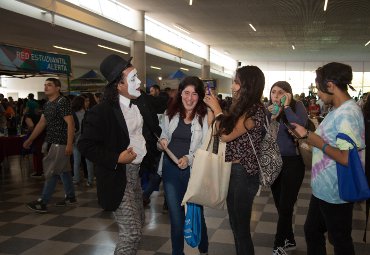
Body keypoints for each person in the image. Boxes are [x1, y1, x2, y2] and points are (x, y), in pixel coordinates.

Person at [78, 54, 161, 255]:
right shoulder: (102, 111)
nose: (140, 82)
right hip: (118, 177)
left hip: (136, 177)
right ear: (119, 85)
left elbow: (150, 130)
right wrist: (117, 158)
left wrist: (160, 140)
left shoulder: (140, 104)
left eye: (137, 77)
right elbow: (85, 145)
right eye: (133, 79)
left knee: (138, 225)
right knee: (131, 233)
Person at [292, 62, 364, 255]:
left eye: (319, 88)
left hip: (336, 191)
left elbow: (347, 158)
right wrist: (308, 135)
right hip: (324, 188)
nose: (318, 94)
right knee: (313, 231)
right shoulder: (338, 110)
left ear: (330, 85)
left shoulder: (348, 113)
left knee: (340, 240)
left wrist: (317, 141)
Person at [204, 66, 266, 255]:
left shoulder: (254, 110)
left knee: (241, 229)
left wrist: (216, 108)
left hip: (243, 174)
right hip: (233, 171)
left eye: (236, 82)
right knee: (235, 225)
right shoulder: (241, 108)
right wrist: (211, 109)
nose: (232, 86)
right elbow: (213, 127)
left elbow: (226, 135)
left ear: (247, 85)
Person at [157, 76, 211, 255]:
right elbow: (163, 135)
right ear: (180, 94)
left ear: (200, 96)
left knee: (197, 213)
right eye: (186, 93)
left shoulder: (204, 118)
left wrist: (189, 158)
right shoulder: (169, 114)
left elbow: (205, 147)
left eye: (194, 94)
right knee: (176, 217)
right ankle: (177, 252)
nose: (189, 98)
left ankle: (203, 248)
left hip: (193, 171)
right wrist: (163, 140)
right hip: (170, 169)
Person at [24, 78, 76, 213]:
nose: (46, 87)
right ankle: (70, 197)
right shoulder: (47, 104)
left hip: (61, 143)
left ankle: (43, 202)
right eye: (45, 85)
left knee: (52, 171)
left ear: (58, 88)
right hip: (53, 142)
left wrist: (69, 144)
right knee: (64, 171)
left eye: (49, 85)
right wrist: (30, 139)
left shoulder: (62, 102)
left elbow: (71, 123)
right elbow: (41, 124)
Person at [267, 81, 308, 255]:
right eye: (273, 92)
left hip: (293, 163)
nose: (276, 96)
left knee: (285, 206)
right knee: (281, 205)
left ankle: (278, 245)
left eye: (280, 92)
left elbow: (299, 129)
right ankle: (289, 239)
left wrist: (287, 108)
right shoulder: (269, 109)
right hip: (275, 161)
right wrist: (272, 118)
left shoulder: (298, 107)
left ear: (288, 94)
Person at [71, 96, 94, 187]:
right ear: (81, 103)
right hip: (86, 140)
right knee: (89, 161)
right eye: (85, 101)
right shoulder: (88, 113)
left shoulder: (72, 114)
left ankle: (76, 179)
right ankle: (90, 180)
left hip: (76, 140)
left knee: (76, 161)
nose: (87, 103)